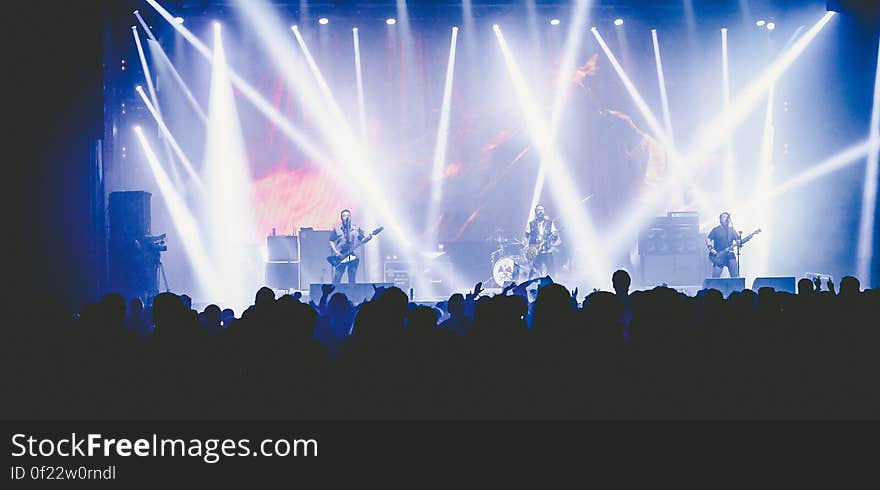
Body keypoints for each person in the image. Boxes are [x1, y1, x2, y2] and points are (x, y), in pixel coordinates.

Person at [328, 209, 373, 284]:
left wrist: (368, 238)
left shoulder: (356, 229)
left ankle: (352, 294)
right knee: (337, 277)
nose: (346, 217)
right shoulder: (337, 229)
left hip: (353, 256)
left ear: (351, 217)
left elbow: (362, 239)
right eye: (344, 215)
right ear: (341, 218)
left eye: (348, 215)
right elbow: (331, 240)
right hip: (341, 256)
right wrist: (335, 251)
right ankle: (334, 294)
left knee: (352, 278)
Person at [525, 204, 560, 279]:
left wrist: (554, 236)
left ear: (544, 211)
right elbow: (526, 236)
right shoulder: (531, 224)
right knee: (535, 271)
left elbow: (554, 237)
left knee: (551, 272)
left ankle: (552, 286)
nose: (540, 212)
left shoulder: (550, 223)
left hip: (547, 251)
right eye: (539, 210)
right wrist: (528, 248)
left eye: (542, 210)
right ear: (535, 212)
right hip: (536, 252)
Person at [707, 212, 740, 278]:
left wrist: (739, 242)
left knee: (734, 275)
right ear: (720, 219)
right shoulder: (716, 230)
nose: (726, 218)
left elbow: (738, 240)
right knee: (716, 276)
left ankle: (735, 287)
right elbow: (708, 239)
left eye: (727, 217)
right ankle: (714, 287)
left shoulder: (731, 230)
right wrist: (711, 248)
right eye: (724, 217)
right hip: (719, 256)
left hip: (730, 256)